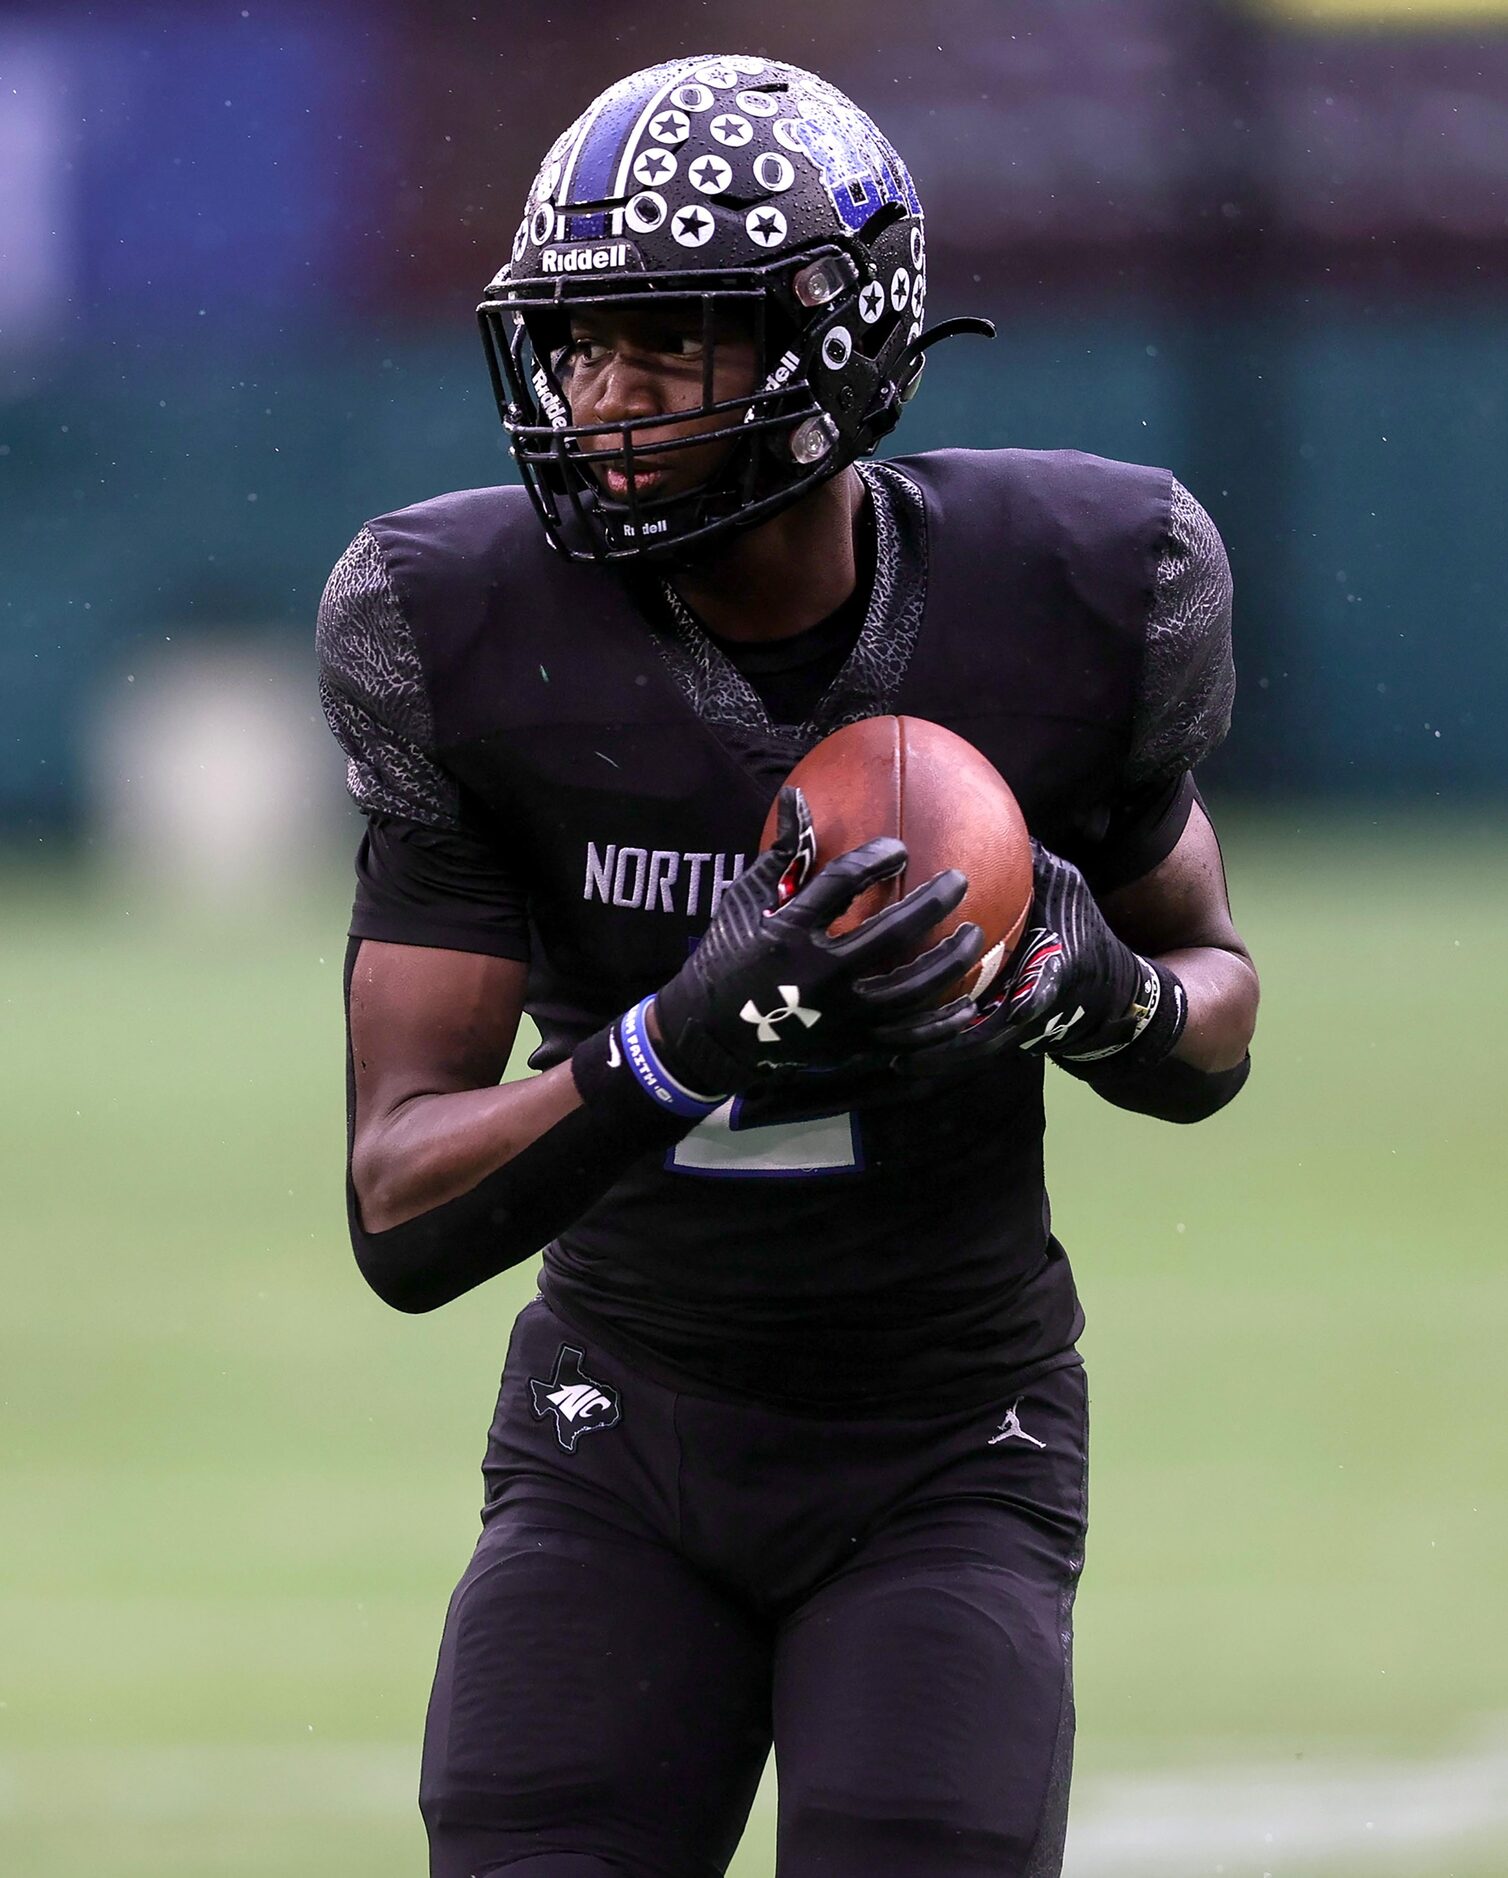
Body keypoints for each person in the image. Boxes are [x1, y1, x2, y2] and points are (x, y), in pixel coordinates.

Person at [318, 53, 1258, 1878]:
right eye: (579, 345)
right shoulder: (453, 622)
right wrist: (681, 1036)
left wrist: (1097, 986)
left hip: (947, 1436)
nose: (598, 398)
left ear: (833, 353)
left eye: (664, 350)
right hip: (619, 1425)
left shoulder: (1083, 583)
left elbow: (1212, 1003)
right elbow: (399, 1204)